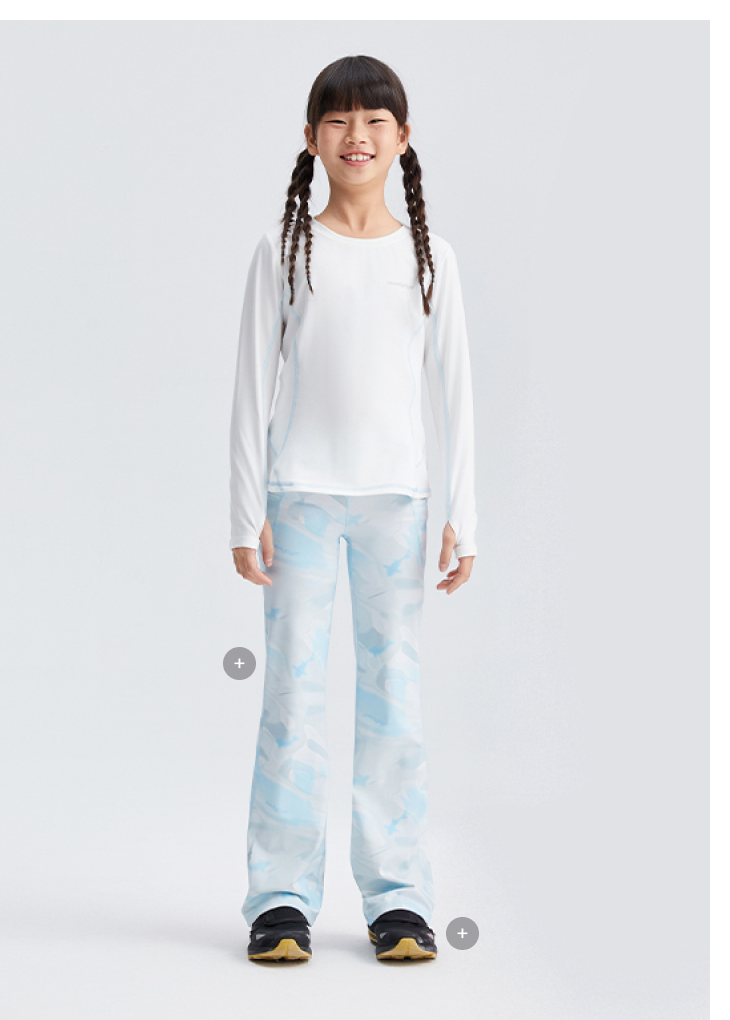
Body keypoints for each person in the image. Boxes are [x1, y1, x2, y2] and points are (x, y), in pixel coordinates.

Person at [229, 54, 477, 963]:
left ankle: (399, 898)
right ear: (311, 138)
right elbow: (251, 385)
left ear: (402, 137)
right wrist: (243, 510)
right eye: (337, 120)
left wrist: (464, 515)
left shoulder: (429, 258)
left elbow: (455, 391)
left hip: (396, 504)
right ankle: (280, 900)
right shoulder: (285, 249)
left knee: (393, 702)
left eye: (375, 121)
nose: (356, 136)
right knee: (291, 698)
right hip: (298, 498)